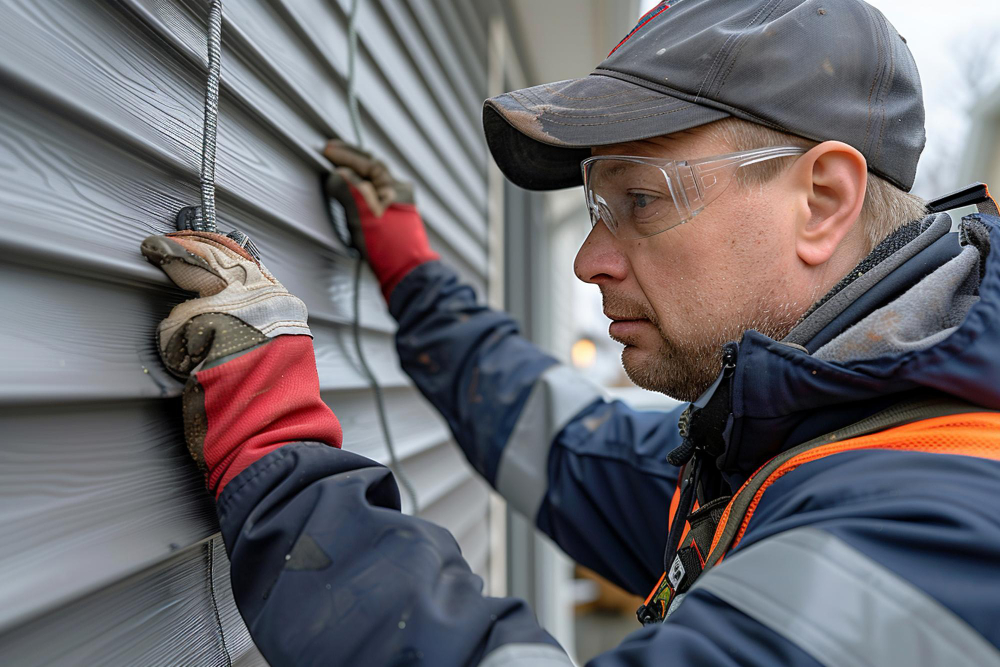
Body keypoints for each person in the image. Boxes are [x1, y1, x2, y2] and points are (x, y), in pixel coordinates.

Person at [141, 0, 1000, 665]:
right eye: (596, 206)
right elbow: (566, 444)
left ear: (821, 202)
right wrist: (411, 273)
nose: (589, 259)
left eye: (640, 199)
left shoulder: (927, 530)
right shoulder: (808, 444)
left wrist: (275, 456)